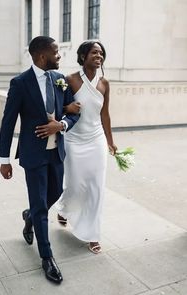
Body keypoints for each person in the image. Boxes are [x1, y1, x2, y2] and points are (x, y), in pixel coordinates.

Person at [0, 36, 79, 284]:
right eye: (56, 52)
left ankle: (30, 216)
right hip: (33, 154)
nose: (59, 56)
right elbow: (8, 121)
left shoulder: (60, 80)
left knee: (53, 194)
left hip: (57, 152)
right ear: (42, 56)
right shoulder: (20, 83)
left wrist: (62, 124)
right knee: (41, 204)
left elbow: (74, 111)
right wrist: (4, 158)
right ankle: (47, 257)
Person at [55, 41, 117, 254]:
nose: (98, 56)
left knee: (96, 188)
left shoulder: (105, 83)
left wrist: (110, 141)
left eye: (101, 53)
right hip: (74, 139)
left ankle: (92, 234)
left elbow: (105, 115)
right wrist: (66, 107)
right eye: (94, 52)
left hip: (96, 139)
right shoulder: (69, 80)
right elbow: (58, 107)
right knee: (75, 185)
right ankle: (64, 208)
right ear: (83, 56)